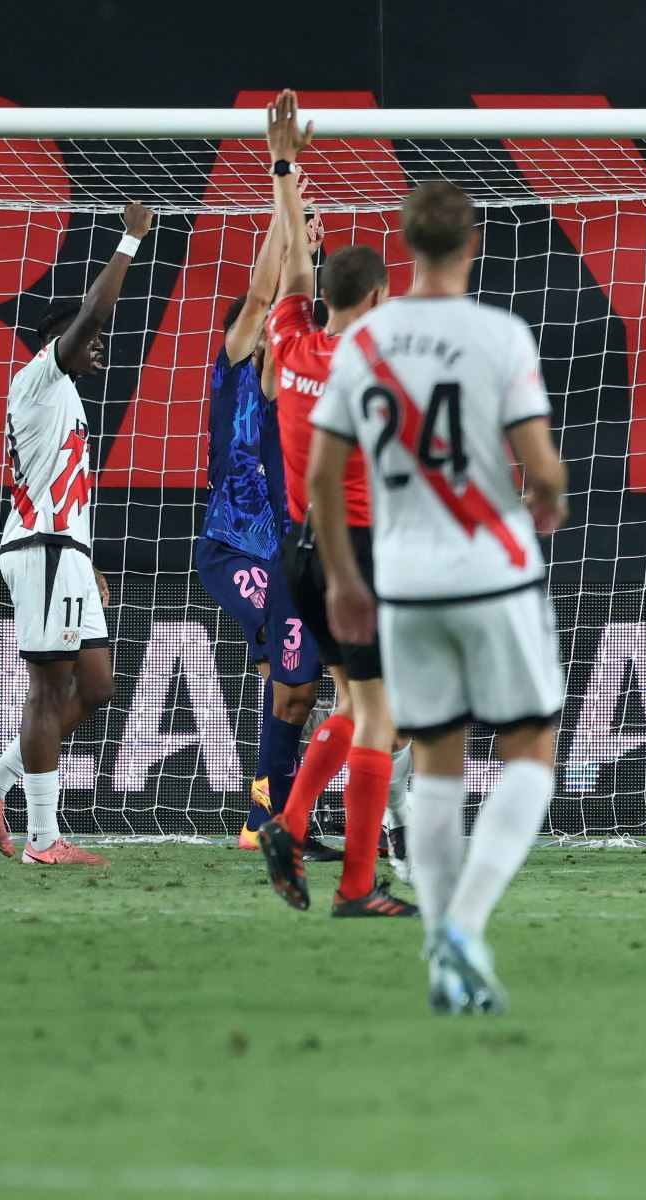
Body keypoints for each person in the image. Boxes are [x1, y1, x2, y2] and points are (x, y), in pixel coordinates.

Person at [311, 179, 567, 1012]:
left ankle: (440, 959)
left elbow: (320, 478)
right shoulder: (498, 334)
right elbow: (543, 465)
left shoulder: (365, 342)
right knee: (531, 750)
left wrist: (347, 581)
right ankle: (464, 921)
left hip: (406, 583)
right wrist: (547, 501)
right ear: (473, 243)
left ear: (405, 247)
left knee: (434, 761)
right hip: (493, 570)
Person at [0, 202, 153, 865]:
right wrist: (129, 238)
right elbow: (92, 312)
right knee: (47, 691)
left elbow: (65, 488)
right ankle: (42, 839)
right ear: (60, 338)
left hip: (65, 551)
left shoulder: (66, 400)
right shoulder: (39, 378)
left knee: (96, 688)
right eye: (90, 338)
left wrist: (86, 557)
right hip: (39, 551)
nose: (100, 345)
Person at [252, 90, 411, 917]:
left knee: (351, 703)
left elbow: (293, 280)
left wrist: (286, 174)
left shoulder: (293, 339)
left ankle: (289, 818)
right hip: (357, 553)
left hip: (301, 552)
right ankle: (355, 885)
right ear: (379, 302)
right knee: (380, 713)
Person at [195, 190, 327, 851]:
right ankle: (269, 812)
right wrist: (286, 223)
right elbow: (257, 299)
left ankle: (269, 809)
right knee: (288, 670)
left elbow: (293, 312)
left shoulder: (293, 383)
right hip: (229, 548)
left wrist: (307, 248)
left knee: (289, 676)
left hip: (284, 551)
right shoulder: (233, 370)